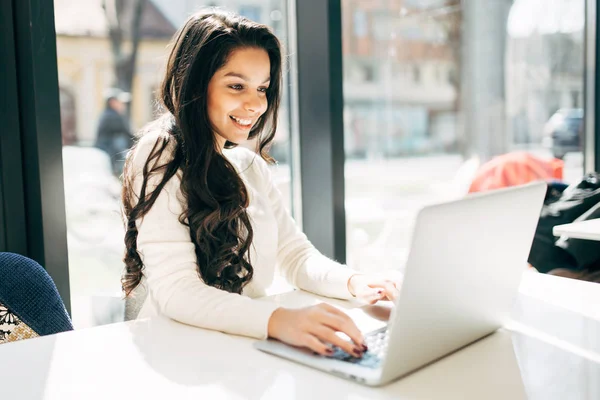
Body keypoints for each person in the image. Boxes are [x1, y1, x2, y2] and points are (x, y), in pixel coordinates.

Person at [121, 10, 401, 359]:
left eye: (262, 88)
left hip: (243, 346)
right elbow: (178, 290)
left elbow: (296, 257)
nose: (255, 105)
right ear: (195, 84)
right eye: (236, 86)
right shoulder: (160, 153)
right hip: (185, 355)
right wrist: (278, 320)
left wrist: (355, 283)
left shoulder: (248, 164)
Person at [95, 88, 134, 175]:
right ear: (112, 102)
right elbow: (129, 135)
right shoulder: (113, 117)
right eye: (121, 102)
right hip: (112, 157)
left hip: (108, 156)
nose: (123, 105)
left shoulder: (108, 114)